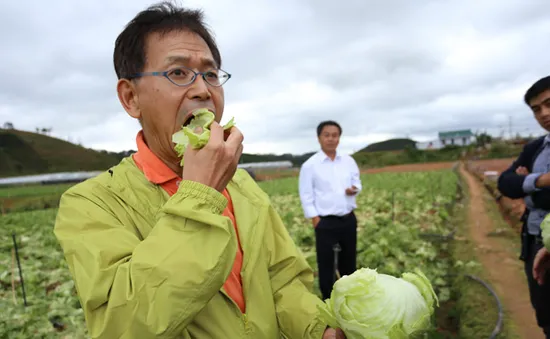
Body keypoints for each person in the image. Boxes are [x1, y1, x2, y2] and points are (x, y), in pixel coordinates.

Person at [53, 2, 345, 338]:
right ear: (131, 97)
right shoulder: (90, 205)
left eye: (210, 74)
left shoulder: (242, 184)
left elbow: (282, 280)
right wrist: (200, 195)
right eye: (178, 73)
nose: (203, 90)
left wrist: (317, 328)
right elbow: (124, 325)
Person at [498, 75, 550, 338]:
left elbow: (529, 194)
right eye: (536, 109)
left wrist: (527, 186)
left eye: (549, 104)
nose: (544, 114)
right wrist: (542, 180)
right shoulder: (536, 147)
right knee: (544, 311)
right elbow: (505, 183)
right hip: (533, 241)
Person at [298, 121, 362, 300]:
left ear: (339, 138)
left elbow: (357, 182)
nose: (331, 139)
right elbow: (306, 194)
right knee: (326, 264)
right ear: (319, 138)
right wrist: (315, 218)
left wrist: (354, 189)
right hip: (325, 222)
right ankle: (328, 300)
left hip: (348, 219)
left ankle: (350, 298)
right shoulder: (310, 165)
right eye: (327, 135)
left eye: (335, 135)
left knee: (349, 262)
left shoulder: (348, 161)